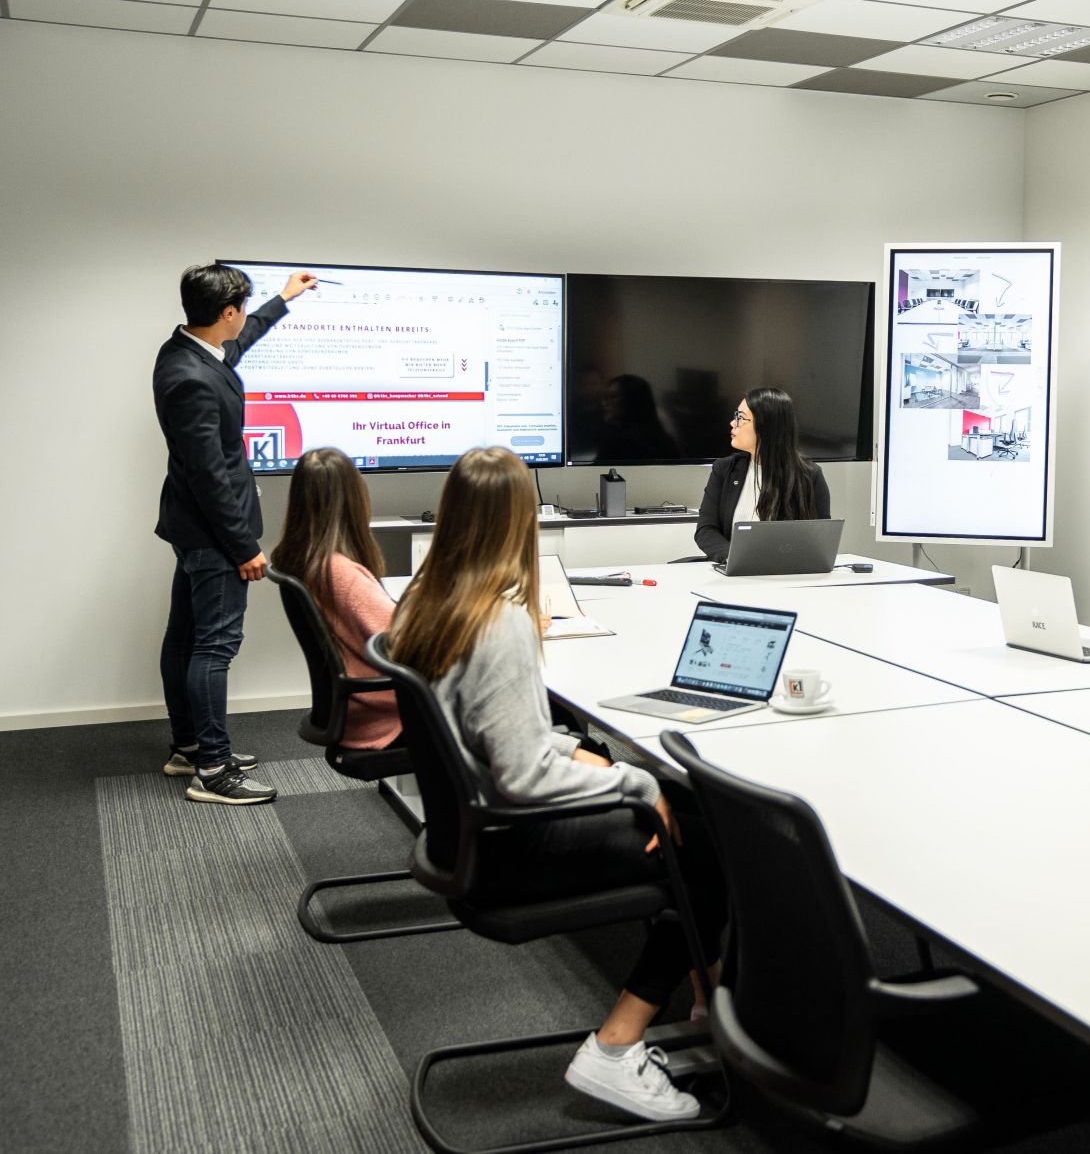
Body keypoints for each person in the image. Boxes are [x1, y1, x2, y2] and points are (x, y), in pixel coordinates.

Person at [388, 446, 723, 1122]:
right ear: (519, 521)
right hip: (510, 845)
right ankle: (618, 1046)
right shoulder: (500, 619)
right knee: (708, 848)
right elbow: (523, 774)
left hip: (468, 833)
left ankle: (712, 1009)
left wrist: (584, 754)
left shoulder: (426, 602)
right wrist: (632, 782)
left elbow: (493, 732)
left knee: (682, 807)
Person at [154, 261, 316, 803]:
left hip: (192, 527)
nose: (243, 318)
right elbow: (209, 475)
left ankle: (191, 747)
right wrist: (244, 546)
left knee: (185, 639)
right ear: (226, 311)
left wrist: (283, 299)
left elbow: (238, 343)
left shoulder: (185, 350)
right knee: (214, 648)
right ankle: (214, 769)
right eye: (242, 308)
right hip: (214, 534)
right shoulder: (193, 379)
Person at [272, 447, 401, 750]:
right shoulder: (340, 572)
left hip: (357, 709)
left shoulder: (303, 559)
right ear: (354, 498)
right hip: (384, 717)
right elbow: (405, 639)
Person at [693, 386, 830, 563]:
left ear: (767, 426)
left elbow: (821, 536)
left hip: (786, 570)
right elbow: (706, 529)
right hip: (731, 568)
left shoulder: (809, 475)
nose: (733, 423)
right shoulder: (725, 469)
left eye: (741, 418)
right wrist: (731, 557)